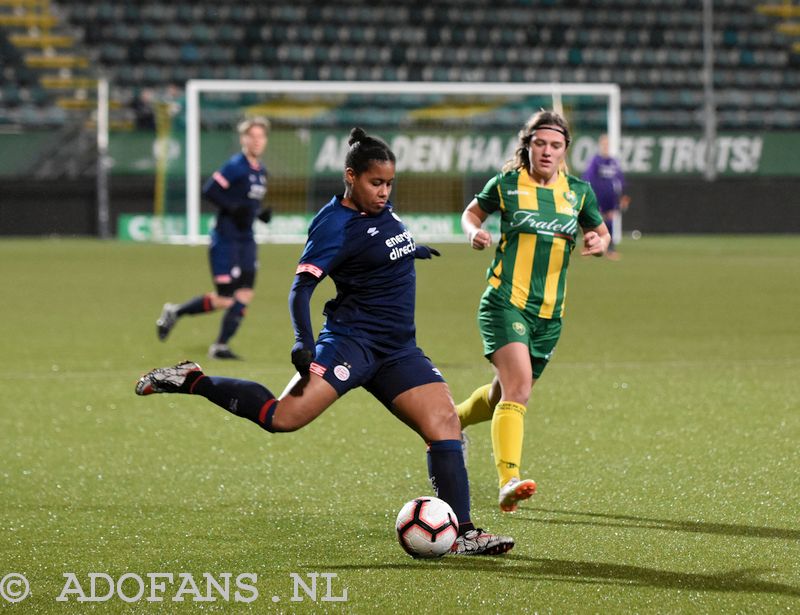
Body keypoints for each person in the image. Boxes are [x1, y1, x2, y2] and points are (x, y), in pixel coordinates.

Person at [137, 127, 515, 556]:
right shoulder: (333, 224)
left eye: (390, 184)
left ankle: (463, 533)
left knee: (444, 425)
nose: (384, 192)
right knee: (282, 418)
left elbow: (379, 248)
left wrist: (411, 248)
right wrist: (304, 342)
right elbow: (300, 289)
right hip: (350, 345)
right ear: (350, 177)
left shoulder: (380, 212)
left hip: (398, 349)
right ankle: (192, 379)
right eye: (376, 183)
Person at [457, 110, 611, 513]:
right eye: (540, 143)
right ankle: (509, 479)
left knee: (501, 396)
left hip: (549, 315)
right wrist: (474, 232)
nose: (547, 151)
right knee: (519, 389)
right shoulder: (507, 185)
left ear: (565, 151)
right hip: (504, 301)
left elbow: (599, 230)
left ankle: (450, 422)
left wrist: (597, 240)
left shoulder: (579, 192)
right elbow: (471, 212)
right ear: (527, 146)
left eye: (555, 145)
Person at [155, 117, 274, 359]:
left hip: (246, 240)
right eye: (252, 137)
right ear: (244, 139)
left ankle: (220, 346)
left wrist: (258, 213)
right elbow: (210, 189)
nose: (257, 141)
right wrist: (232, 209)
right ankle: (175, 311)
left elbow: (248, 202)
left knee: (245, 295)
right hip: (226, 239)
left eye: (261, 137)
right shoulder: (235, 165)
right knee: (225, 299)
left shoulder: (261, 172)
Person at [581, 133, 630, 260]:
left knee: (610, 221)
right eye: (604, 144)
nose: (606, 146)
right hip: (597, 196)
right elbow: (587, 178)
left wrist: (623, 196)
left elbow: (620, 180)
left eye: (607, 144)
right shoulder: (595, 161)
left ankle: (610, 249)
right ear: (600, 145)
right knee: (594, 221)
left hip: (611, 197)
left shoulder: (614, 161)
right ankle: (589, 246)